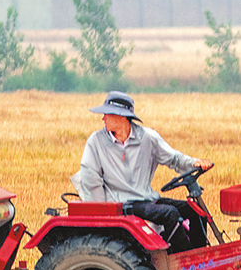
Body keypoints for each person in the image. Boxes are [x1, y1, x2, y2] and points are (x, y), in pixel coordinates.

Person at [76, 91, 213, 252]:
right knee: (169, 214)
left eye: (107, 114)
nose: (103, 118)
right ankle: (186, 260)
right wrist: (102, 218)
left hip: (147, 200)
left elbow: (174, 159)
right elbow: (90, 179)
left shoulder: (148, 138)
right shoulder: (96, 141)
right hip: (122, 205)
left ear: (122, 117)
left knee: (196, 210)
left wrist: (194, 163)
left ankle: (201, 255)